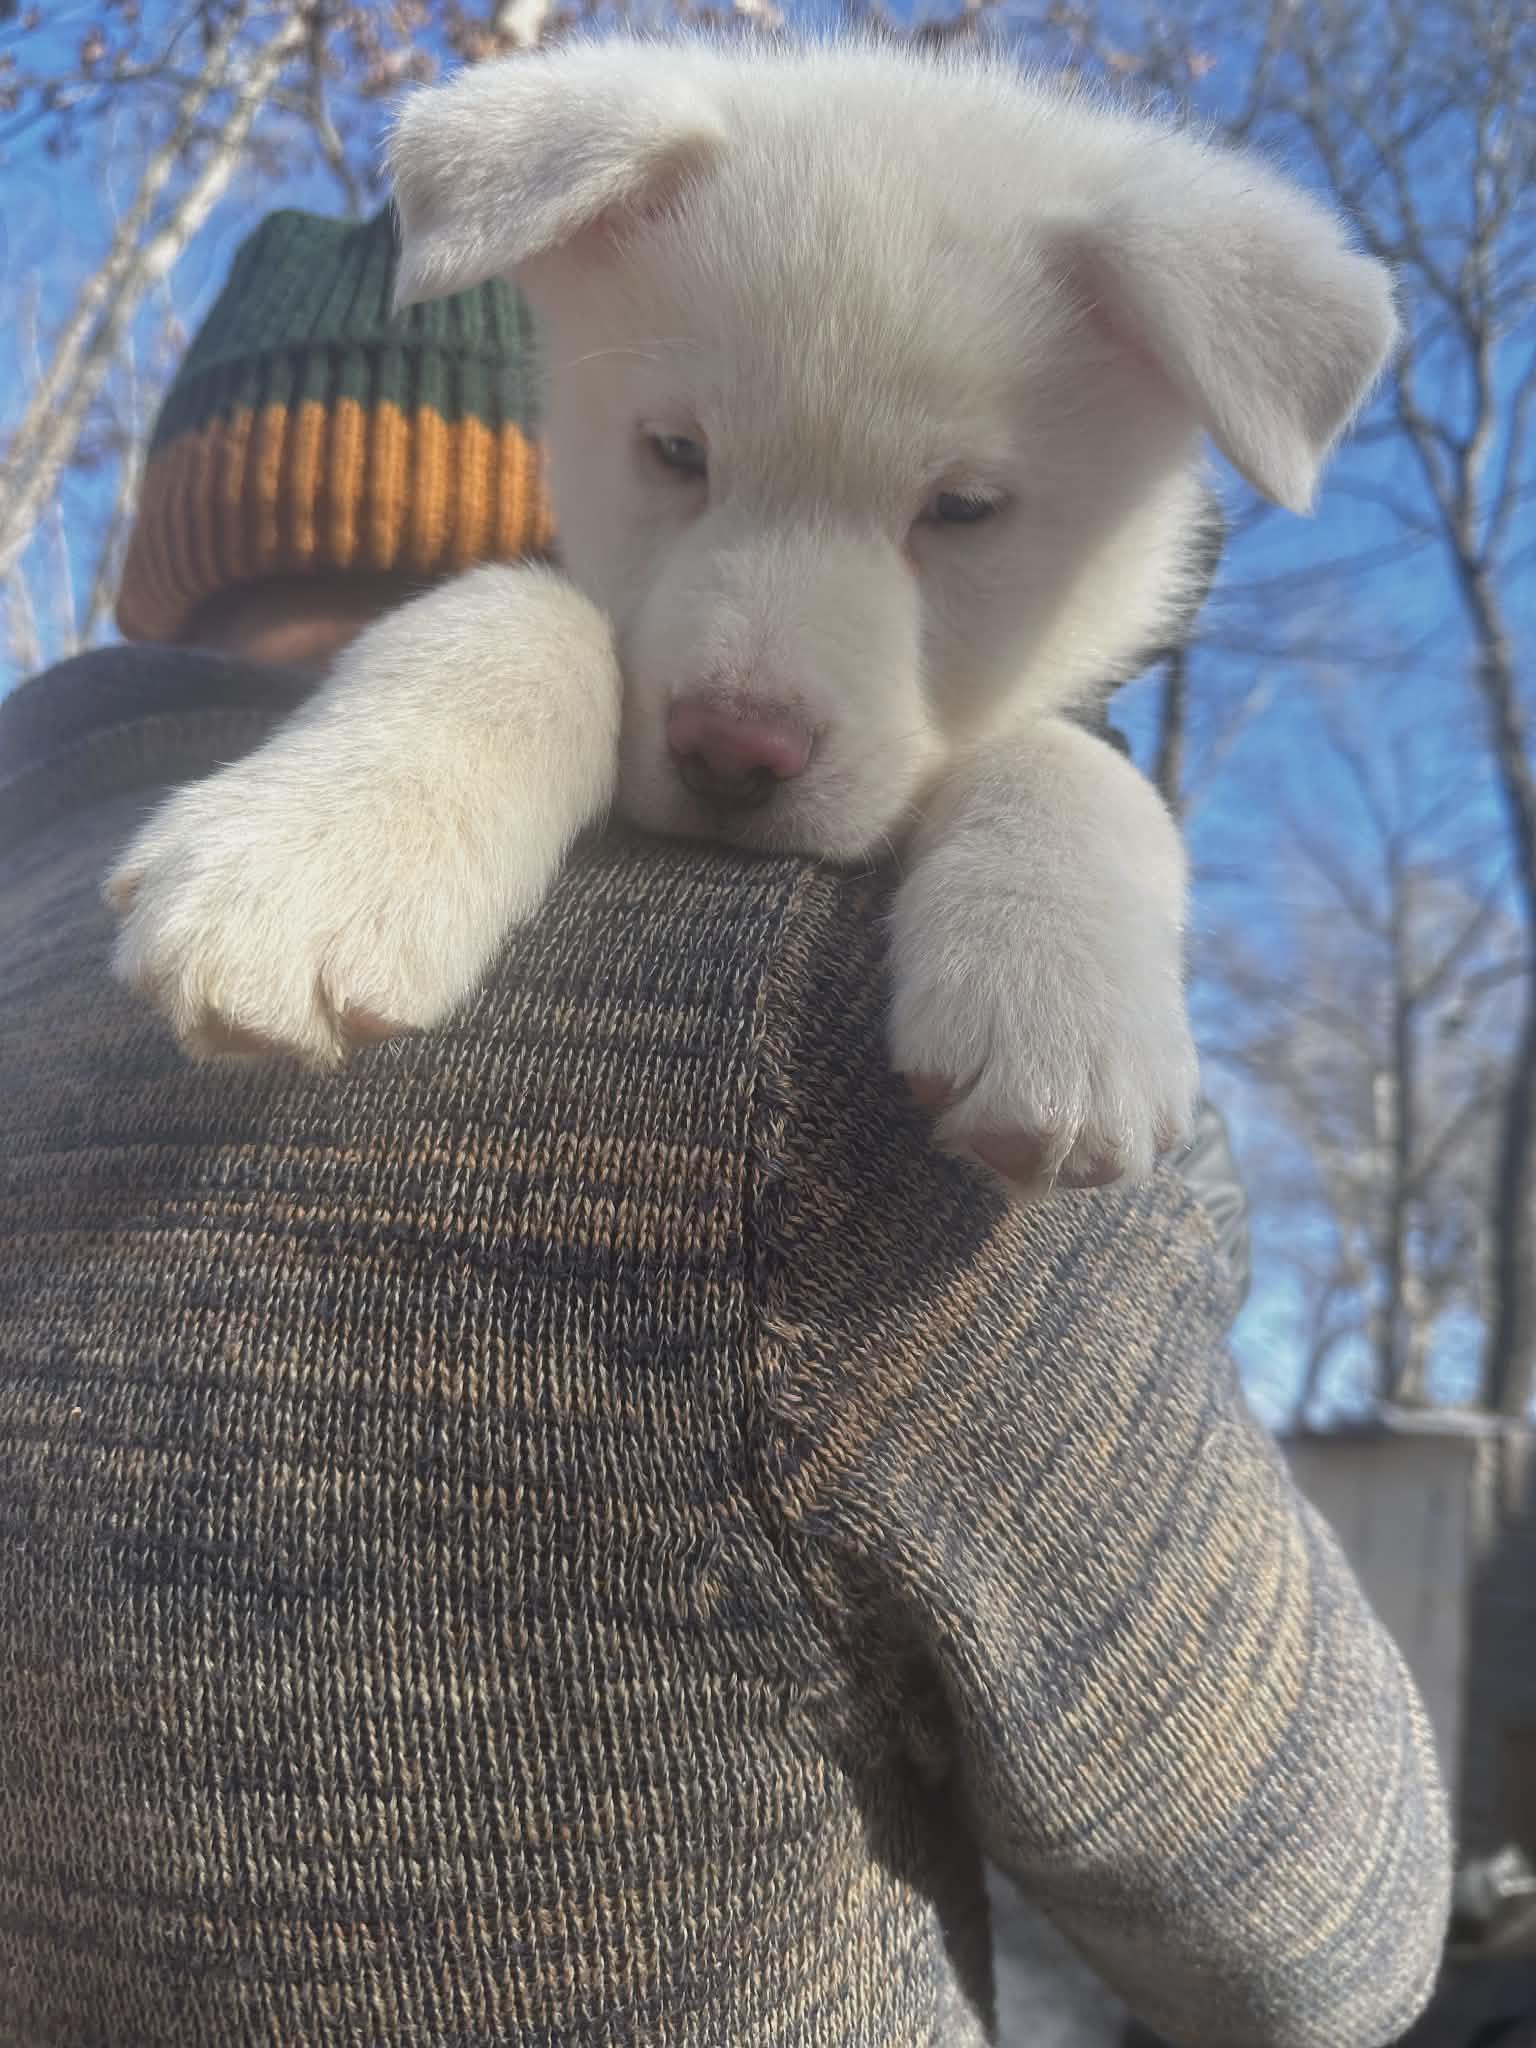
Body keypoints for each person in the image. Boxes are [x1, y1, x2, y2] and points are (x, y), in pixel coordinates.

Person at [0, 206, 1447, 2046]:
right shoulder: (803, 1036)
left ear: (171, 548)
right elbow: (1320, 1927)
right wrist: (1142, 1240)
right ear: (576, 499)